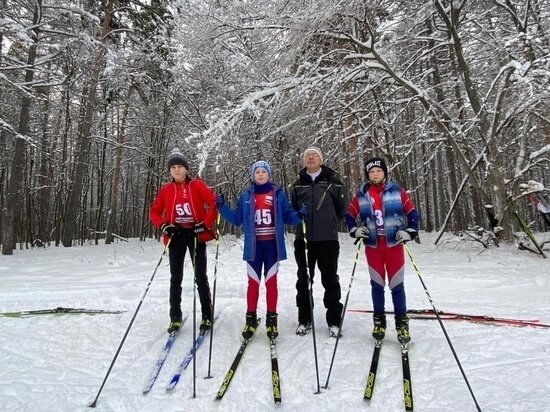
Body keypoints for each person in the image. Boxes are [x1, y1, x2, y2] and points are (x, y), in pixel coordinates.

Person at [216, 161, 306, 341]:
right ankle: (250, 319)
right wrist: (222, 207)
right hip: (254, 248)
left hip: (272, 246)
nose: (260, 174)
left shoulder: (278, 194)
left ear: (269, 174)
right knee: (253, 283)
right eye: (257, 171)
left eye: (263, 171)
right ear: (253, 175)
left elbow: (288, 215)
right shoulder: (246, 195)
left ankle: (271, 320)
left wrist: (300, 215)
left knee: (271, 283)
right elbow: (236, 219)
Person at [345, 157, 419, 344]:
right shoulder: (362, 194)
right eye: (371, 172)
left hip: (394, 245)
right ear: (367, 175)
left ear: (384, 172)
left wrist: (410, 231)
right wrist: (355, 230)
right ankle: (379, 321)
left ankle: (402, 323)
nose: (375, 174)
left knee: (396, 285)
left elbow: (412, 213)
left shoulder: (397, 192)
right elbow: (349, 215)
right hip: (373, 247)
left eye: (378, 171)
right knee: (377, 285)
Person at [150, 148, 217, 334]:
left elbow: (213, 203)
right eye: (173, 167)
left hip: (195, 234)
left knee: (200, 276)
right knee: (175, 277)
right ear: (170, 171)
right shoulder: (166, 190)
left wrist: (205, 224)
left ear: (186, 169)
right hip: (176, 235)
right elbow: (154, 211)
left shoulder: (196, 185)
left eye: (180, 166)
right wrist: (163, 225)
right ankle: (175, 317)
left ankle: (206, 314)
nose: (177, 170)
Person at [290, 146, 348, 338]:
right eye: (307, 155)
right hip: (304, 240)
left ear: (321, 160)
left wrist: (329, 223)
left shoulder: (334, 183)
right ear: (304, 161)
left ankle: (333, 321)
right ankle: (304, 319)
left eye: (314, 155)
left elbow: (341, 210)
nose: (311, 157)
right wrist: (299, 216)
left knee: (330, 279)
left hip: (328, 240)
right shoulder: (297, 185)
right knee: (304, 280)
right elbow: (293, 211)